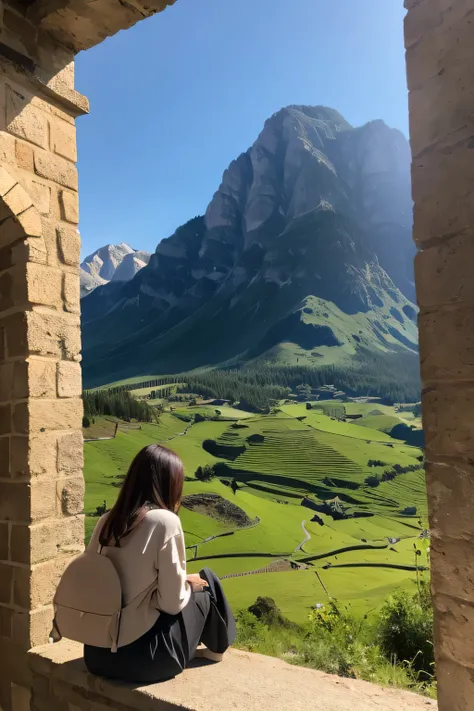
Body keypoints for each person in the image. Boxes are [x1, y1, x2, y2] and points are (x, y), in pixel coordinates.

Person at [83, 444, 236, 683]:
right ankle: (217, 651)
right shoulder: (165, 522)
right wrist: (187, 586)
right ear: (168, 484)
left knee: (194, 582)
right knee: (208, 582)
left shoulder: (106, 521)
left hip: (96, 655)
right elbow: (171, 604)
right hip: (146, 659)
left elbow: (98, 582)